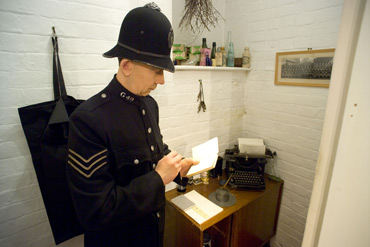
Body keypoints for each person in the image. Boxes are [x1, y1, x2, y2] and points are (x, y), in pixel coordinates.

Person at [66, 3, 198, 247]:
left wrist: (176, 167)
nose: (161, 81)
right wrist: (159, 178)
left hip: (152, 235)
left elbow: (153, 152)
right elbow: (95, 212)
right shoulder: (88, 120)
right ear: (126, 65)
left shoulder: (150, 106)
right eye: (156, 70)